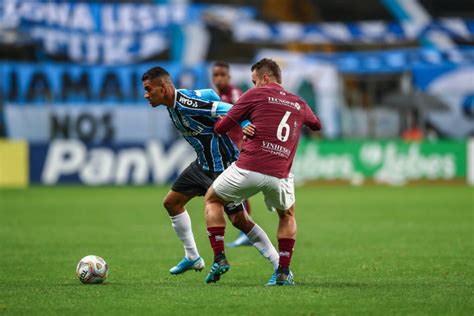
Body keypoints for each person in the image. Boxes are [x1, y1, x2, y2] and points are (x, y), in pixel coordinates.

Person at [141, 66, 279, 281]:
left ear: (164, 87)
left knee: (239, 220)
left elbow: (223, 106)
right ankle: (193, 257)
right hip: (202, 164)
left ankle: (279, 265)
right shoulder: (173, 101)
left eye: (149, 89)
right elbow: (210, 95)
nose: (146, 95)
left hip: (222, 165)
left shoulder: (185, 103)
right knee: (172, 203)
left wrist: (244, 123)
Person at [203, 58, 321, 286]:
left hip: (248, 168)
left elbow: (221, 128)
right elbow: (316, 124)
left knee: (212, 199)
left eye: (254, 80)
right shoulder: (299, 102)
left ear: (265, 78)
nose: (253, 85)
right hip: (280, 174)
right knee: (287, 215)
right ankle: (283, 272)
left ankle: (219, 257)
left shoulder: (254, 94)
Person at [211, 61, 251, 248]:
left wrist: (243, 141)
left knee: (236, 188)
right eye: (215, 75)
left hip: (236, 147)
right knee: (235, 189)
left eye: (221, 75)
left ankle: (247, 230)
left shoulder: (233, 93)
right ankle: (246, 230)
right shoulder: (218, 96)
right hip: (226, 147)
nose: (218, 78)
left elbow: (243, 114)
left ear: (228, 77)